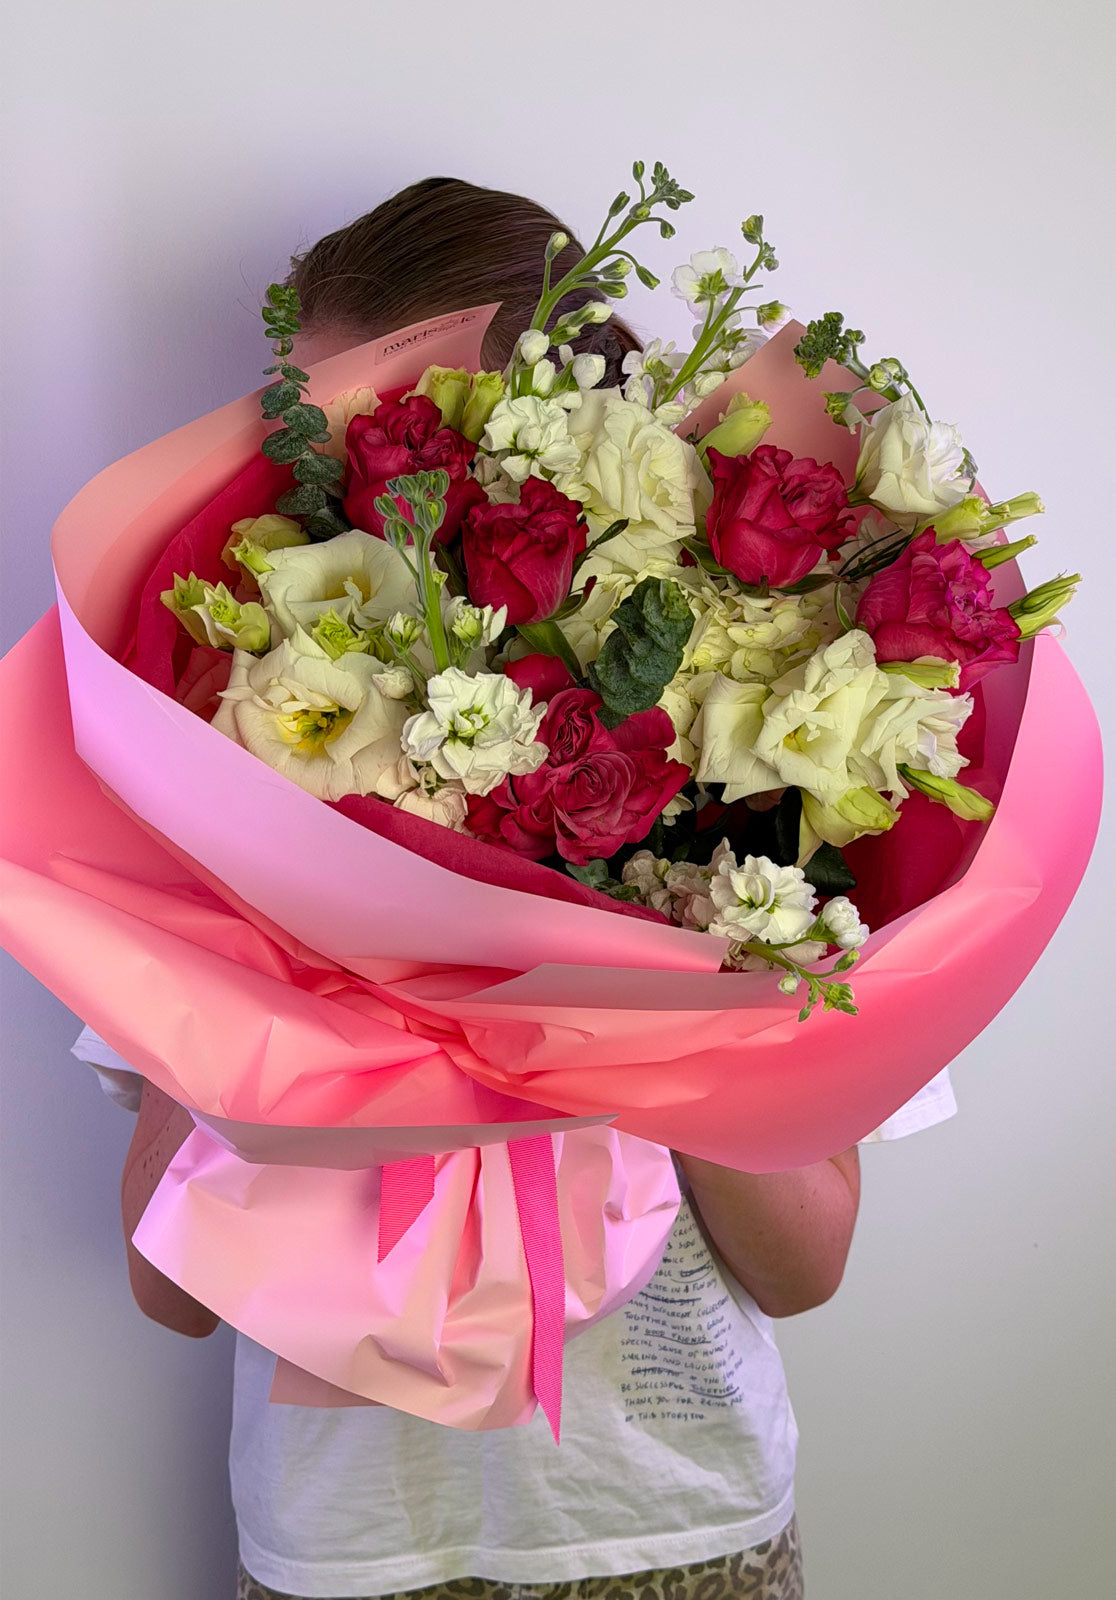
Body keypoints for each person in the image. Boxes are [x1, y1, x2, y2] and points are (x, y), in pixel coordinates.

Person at [77, 177, 959, 1600]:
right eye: (323, 443)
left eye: (415, 436)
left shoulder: (754, 789)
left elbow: (804, 1266)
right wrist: (259, 944)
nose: (353, 483)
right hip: (345, 1548)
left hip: (684, 1532)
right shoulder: (221, 769)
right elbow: (169, 1292)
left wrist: (637, 953)